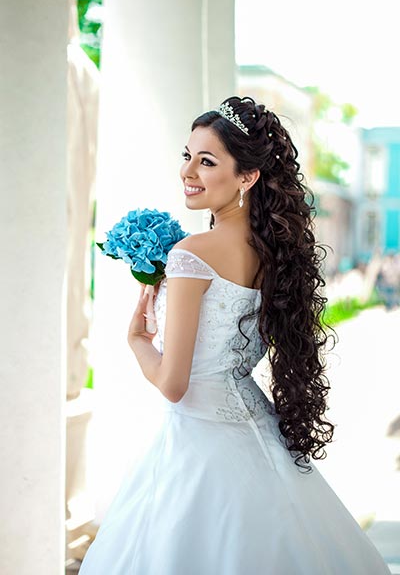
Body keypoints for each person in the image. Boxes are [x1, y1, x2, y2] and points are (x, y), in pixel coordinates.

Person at [79, 96, 390, 574]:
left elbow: (174, 384)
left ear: (247, 177)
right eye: (187, 156)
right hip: (258, 432)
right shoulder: (273, 256)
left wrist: (138, 343)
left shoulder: (191, 254)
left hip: (197, 445)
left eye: (207, 161)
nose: (189, 172)